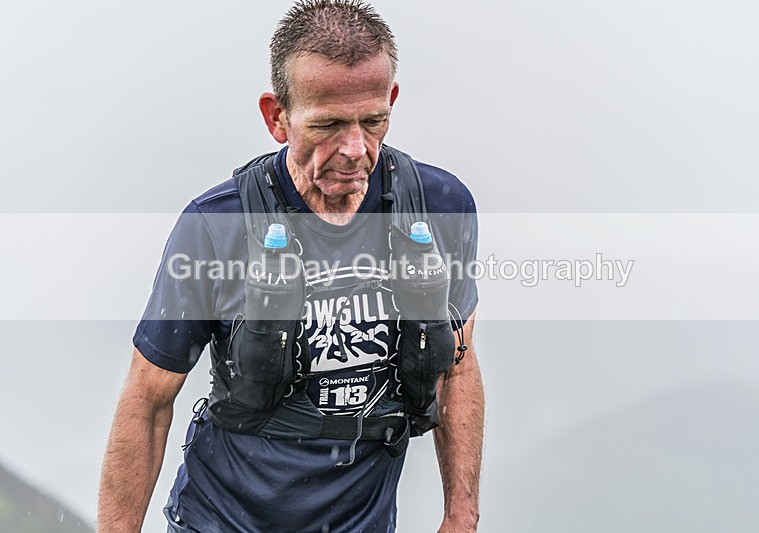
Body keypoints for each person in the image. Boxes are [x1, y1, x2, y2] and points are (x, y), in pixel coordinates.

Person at [97, 1, 484, 531]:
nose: (355, 149)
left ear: (392, 100)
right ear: (276, 116)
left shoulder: (440, 206)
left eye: (373, 121)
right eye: (327, 125)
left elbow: (458, 366)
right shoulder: (217, 225)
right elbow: (147, 401)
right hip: (222, 519)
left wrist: (461, 517)